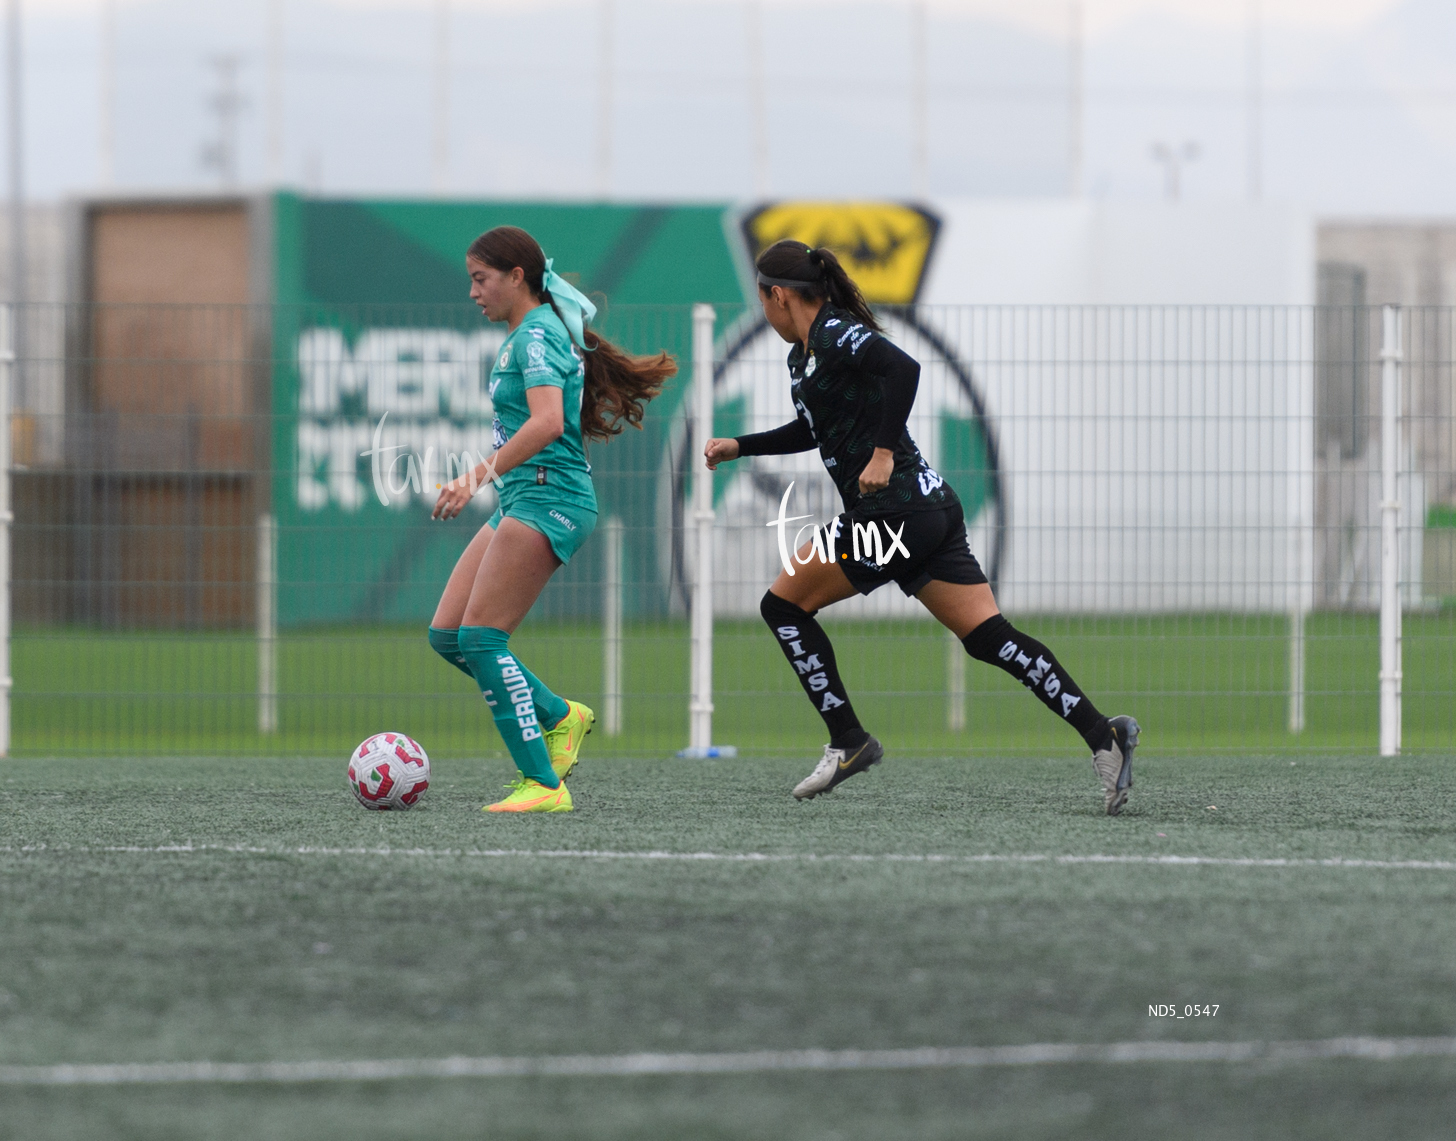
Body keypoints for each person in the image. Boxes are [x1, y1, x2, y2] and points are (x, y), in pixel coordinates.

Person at [704, 238, 1140, 814]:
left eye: (763, 301)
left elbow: (902, 368)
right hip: (930, 511)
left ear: (778, 296)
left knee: (783, 608)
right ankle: (1102, 734)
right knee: (990, 638)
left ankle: (848, 739)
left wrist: (882, 452)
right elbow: (816, 429)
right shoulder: (804, 354)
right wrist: (742, 446)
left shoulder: (834, 333)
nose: (764, 310)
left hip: (895, 516)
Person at [429, 226, 678, 812]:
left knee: (483, 638)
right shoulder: (527, 334)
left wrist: (473, 479)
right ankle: (561, 716)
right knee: (449, 635)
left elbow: (545, 424)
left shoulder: (536, 334)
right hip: (525, 498)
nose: (473, 292)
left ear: (518, 277)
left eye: (480, 279)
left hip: (551, 498)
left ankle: (543, 784)